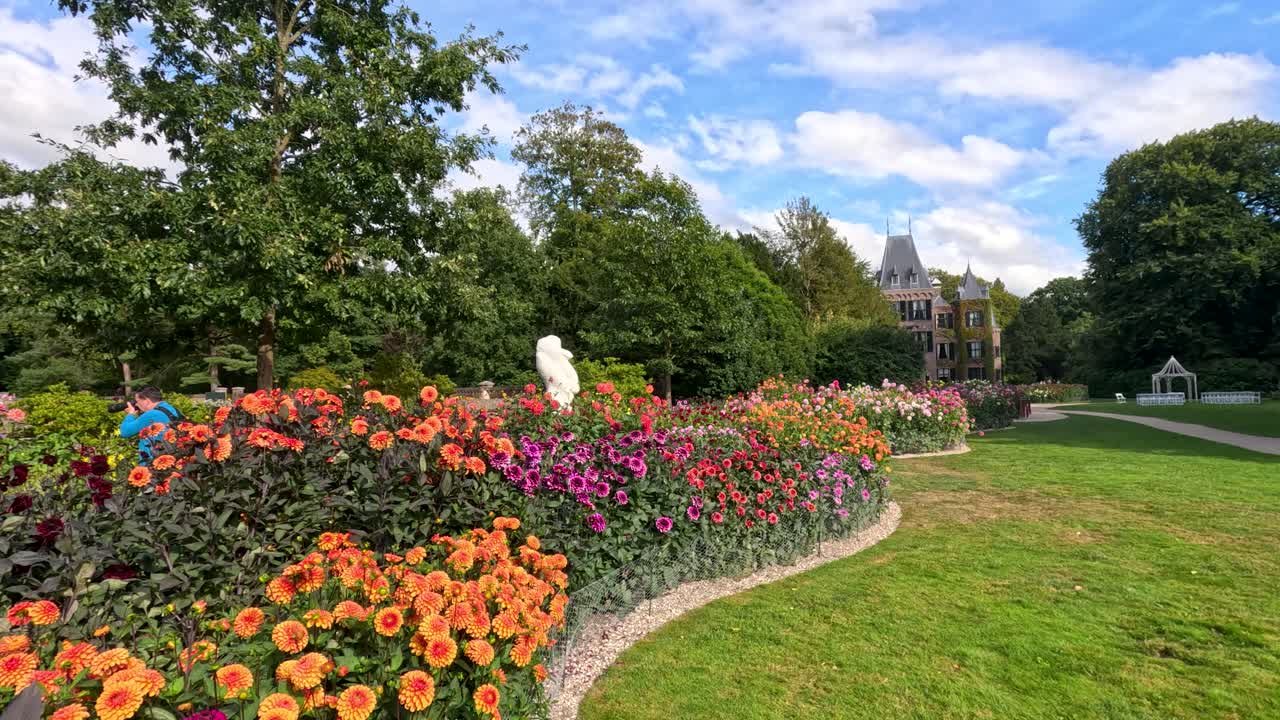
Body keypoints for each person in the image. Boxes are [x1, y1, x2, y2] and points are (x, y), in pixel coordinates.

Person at [119, 386, 182, 461]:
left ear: (146, 401)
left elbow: (125, 432)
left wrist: (131, 414)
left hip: (154, 462)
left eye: (137, 401)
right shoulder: (171, 409)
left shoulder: (152, 414)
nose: (136, 405)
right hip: (175, 457)